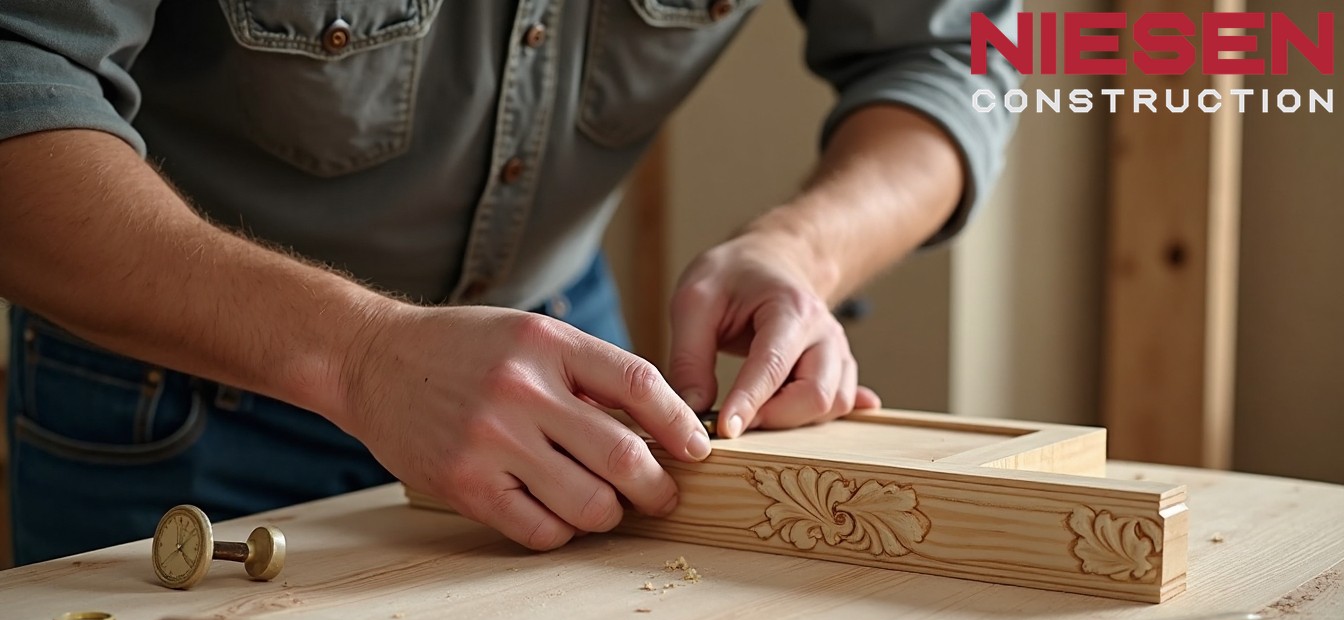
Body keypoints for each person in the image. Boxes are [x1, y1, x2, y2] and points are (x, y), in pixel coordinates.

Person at [0, 1, 1018, 565]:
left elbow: (955, 51)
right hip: (177, 406)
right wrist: (362, 357)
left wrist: (804, 249)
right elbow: (19, 81)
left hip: (562, 382)